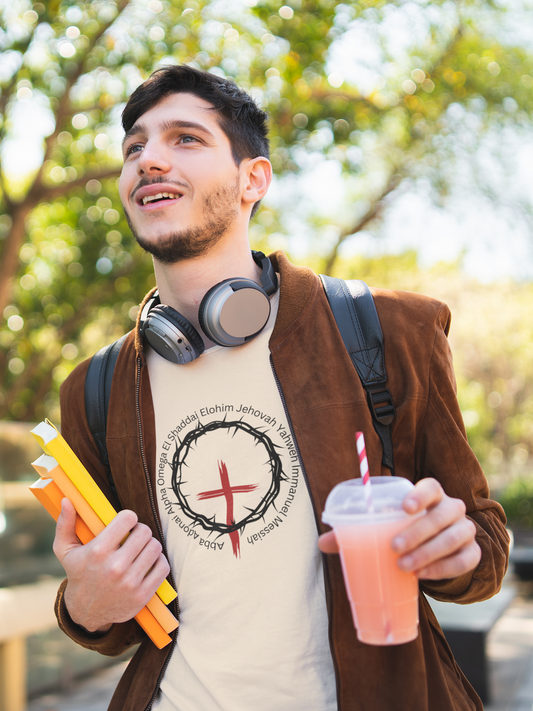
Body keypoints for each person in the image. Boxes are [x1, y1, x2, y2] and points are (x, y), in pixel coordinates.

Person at [53, 64, 509, 711]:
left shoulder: (388, 329)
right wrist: (85, 605)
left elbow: (484, 550)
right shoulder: (94, 388)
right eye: (134, 147)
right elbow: (113, 613)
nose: (148, 159)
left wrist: (452, 547)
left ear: (252, 178)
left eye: (184, 138)